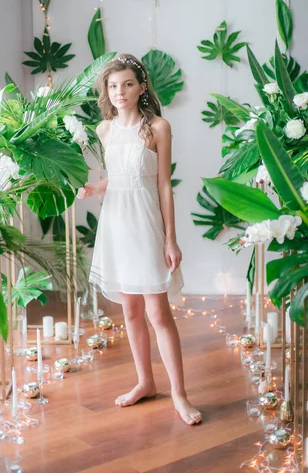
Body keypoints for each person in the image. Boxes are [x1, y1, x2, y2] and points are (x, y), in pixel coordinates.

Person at [77, 54, 202, 426]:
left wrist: (171, 240)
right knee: (130, 311)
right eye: (113, 86)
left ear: (141, 87)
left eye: (127, 84)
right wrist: (93, 188)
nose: (120, 92)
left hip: (146, 225)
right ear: (106, 91)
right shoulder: (104, 130)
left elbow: (163, 184)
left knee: (158, 313)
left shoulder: (158, 127)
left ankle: (179, 395)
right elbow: (115, 177)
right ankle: (145, 382)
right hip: (115, 226)